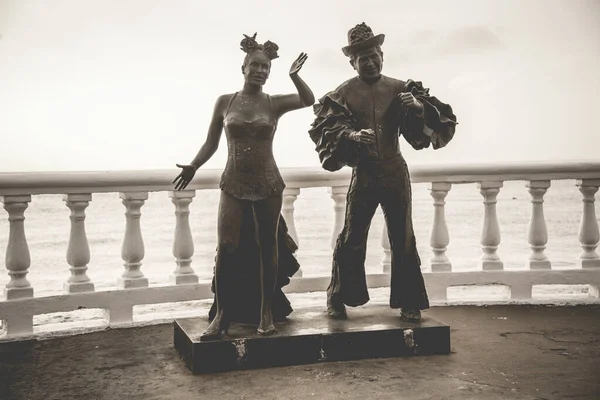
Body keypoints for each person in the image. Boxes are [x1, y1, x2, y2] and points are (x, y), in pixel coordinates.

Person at [309, 23, 457, 322]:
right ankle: (336, 297)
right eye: (362, 58)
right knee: (352, 236)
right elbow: (327, 128)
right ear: (353, 62)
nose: (370, 61)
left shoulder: (401, 88)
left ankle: (410, 301)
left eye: (374, 55)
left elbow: (432, 127)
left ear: (382, 55)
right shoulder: (343, 92)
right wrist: (350, 136)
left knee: (402, 236)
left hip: (394, 171)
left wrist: (416, 107)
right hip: (364, 173)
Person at [173, 33, 315, 340]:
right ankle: (222, 316)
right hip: (233, 182)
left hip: (268, 182)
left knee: (268, 247)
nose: (261, 71)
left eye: (266, 67)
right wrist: (194, 166)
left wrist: (294, 76)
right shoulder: (226, 102)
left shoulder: (273, 103)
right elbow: (211, 142)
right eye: (255, 65)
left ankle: (266, 313)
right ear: (244, 67)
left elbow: (308, 100)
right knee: (227, 248)